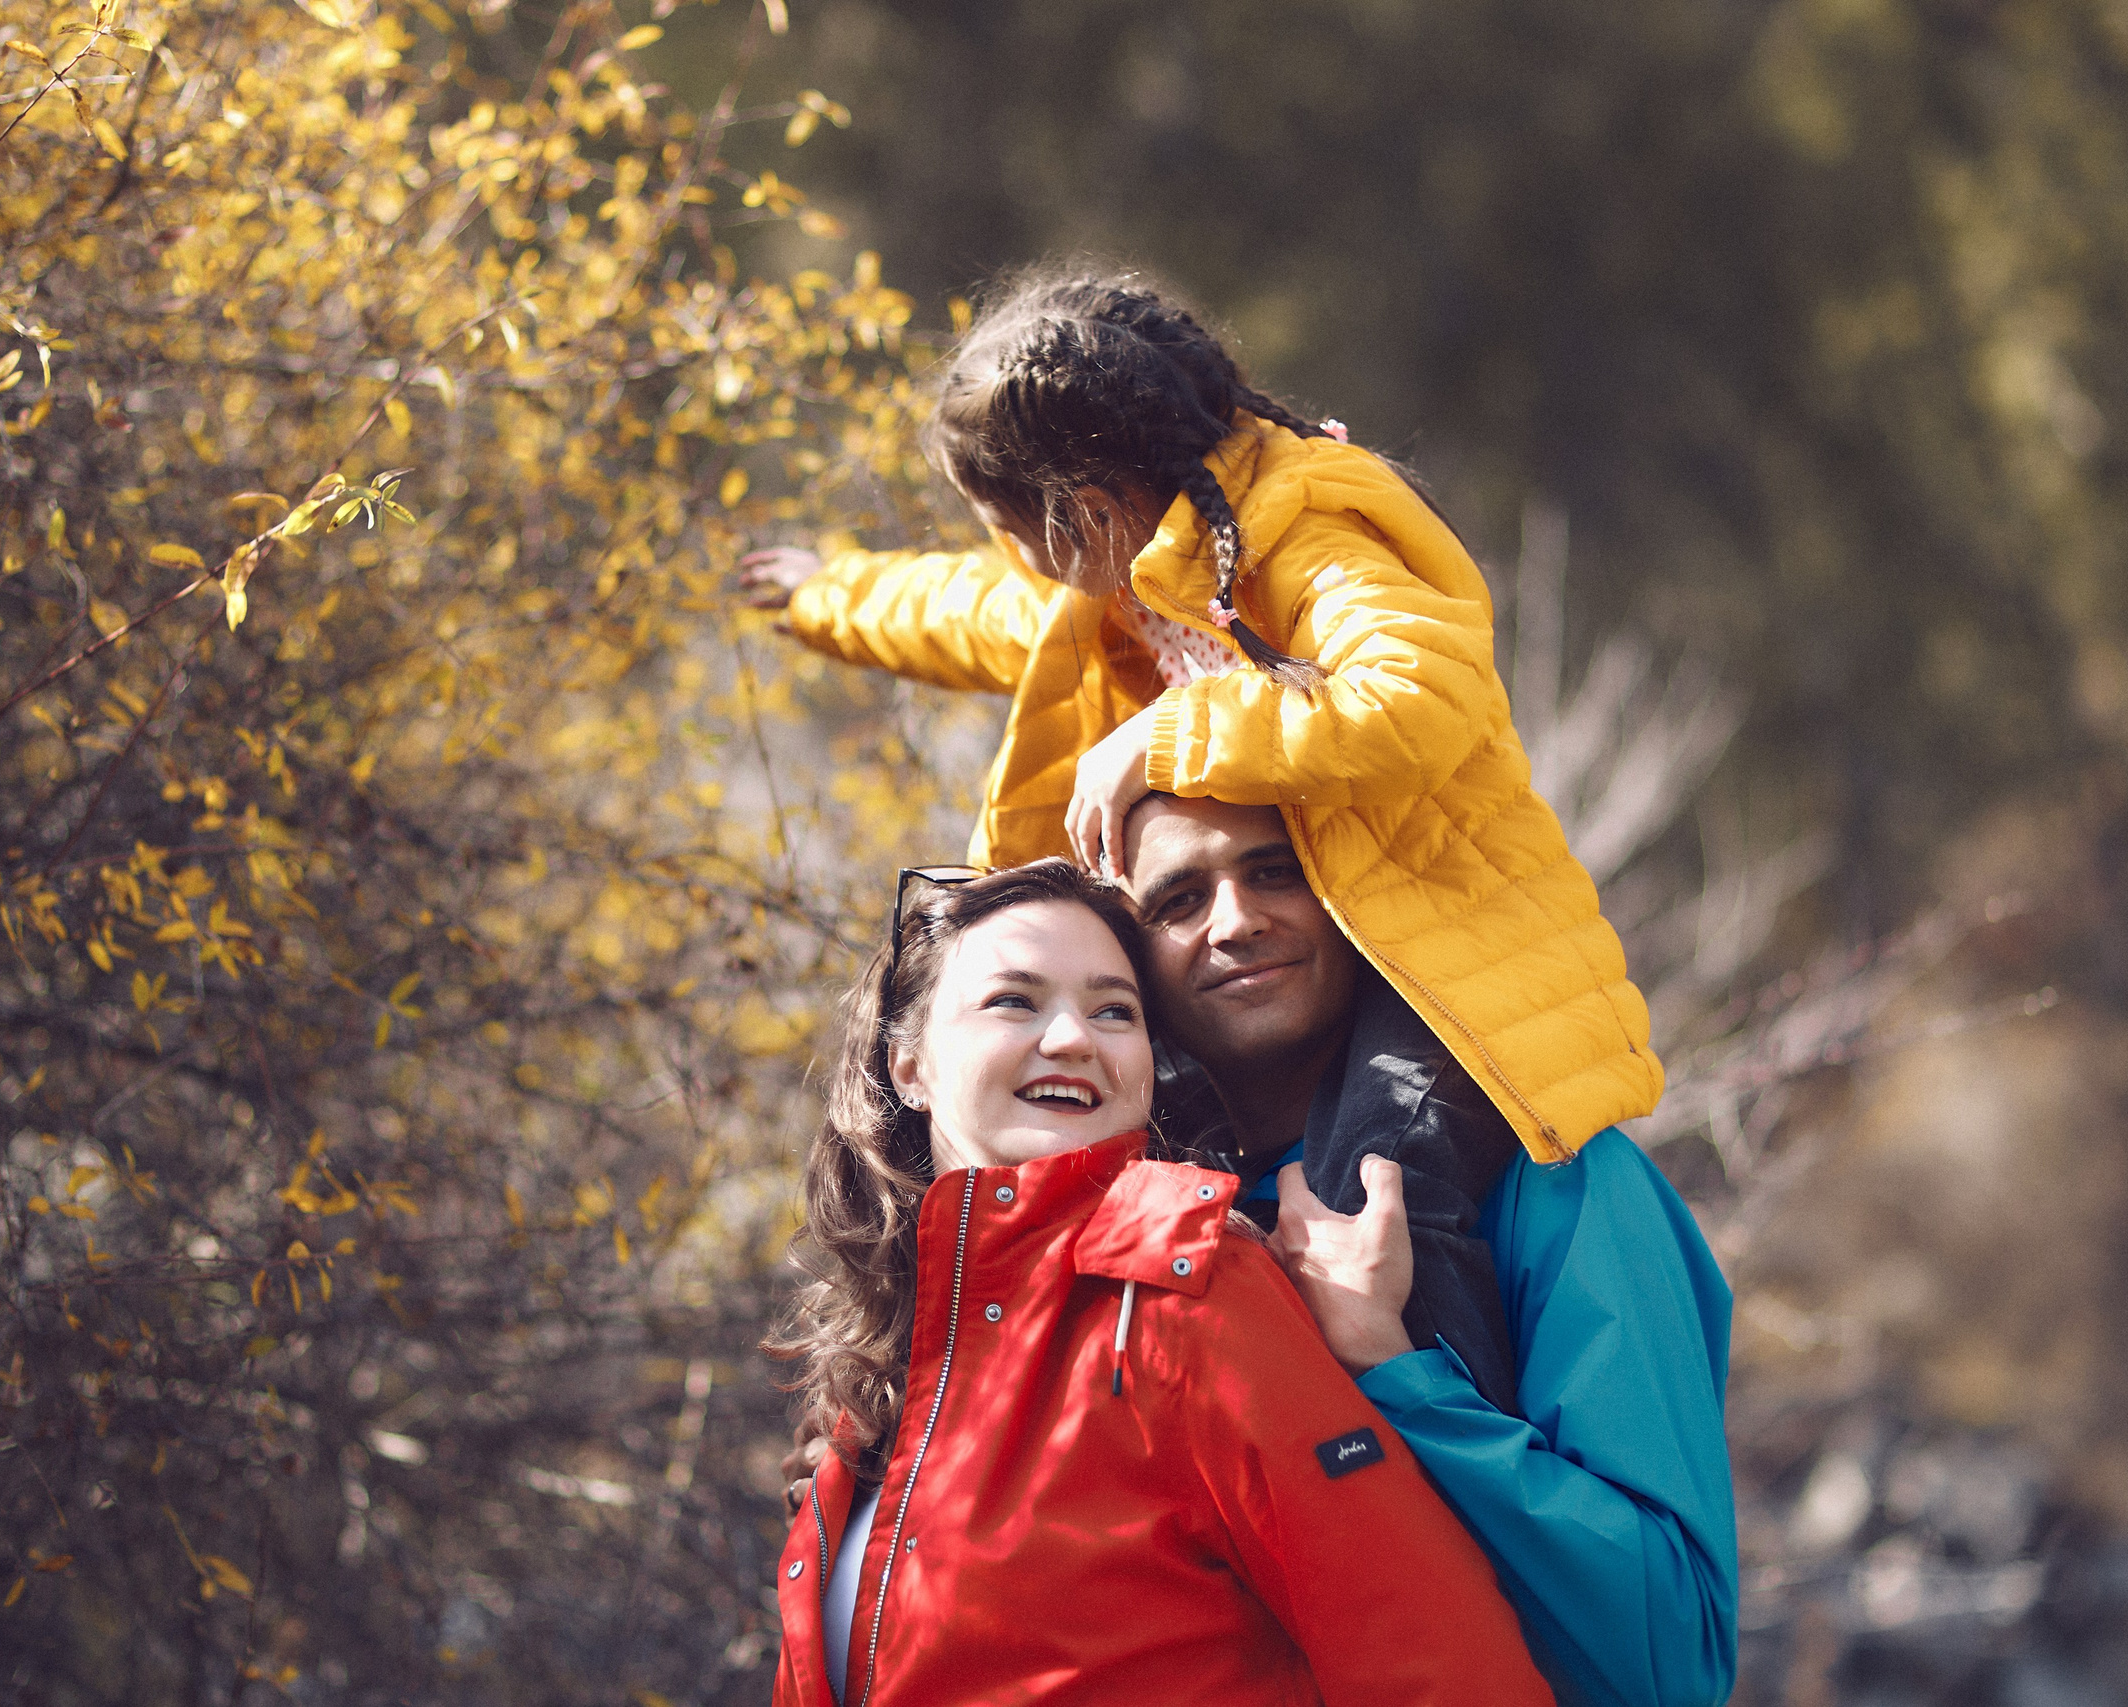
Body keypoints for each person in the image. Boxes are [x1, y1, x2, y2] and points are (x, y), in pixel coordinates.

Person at [739, 264, 1661, 1422]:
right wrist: (831, 593)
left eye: (1011, 530)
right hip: (1278, 948)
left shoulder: (1310, 527)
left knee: (1386, 1180)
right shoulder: (1118, 580)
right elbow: (968, 611)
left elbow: (1416, 699)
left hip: (1434, 953)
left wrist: (1167, 736)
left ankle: (1444, 1459)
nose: (1012, 560)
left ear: (1081, 499)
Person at [764, 859, 1553, 1706]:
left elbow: (1442, 1660)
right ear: (909, 1065)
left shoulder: (1191, 1287)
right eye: (1015, 1000)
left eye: (1115, 1010)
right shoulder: (882, 1381)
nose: (1075, 1038)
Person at [1120, 792, 1740, 1707]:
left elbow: (1671, 1657)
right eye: (1177, 899)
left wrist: (1393, 1366)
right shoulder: (1123, 1238)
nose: (1236, 919)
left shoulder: (1557, 1171)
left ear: (1352, 891)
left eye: (1276, 871)